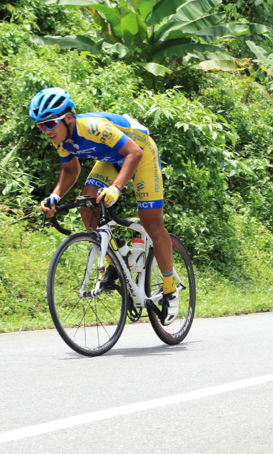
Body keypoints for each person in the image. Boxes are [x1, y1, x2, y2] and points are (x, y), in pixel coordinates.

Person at [31, 87, 179, 325]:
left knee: (151, 223)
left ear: (68, 119)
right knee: (86, 204)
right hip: (112, 159)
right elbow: (70, 170)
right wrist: (55, 197)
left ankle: (170, 289)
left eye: (49, 124)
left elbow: (133, 152)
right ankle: (116, 256)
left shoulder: (92, 127)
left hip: (141, 153)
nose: (45, 130)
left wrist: (116, 188)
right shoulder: (61, 139)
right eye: (40, 125)